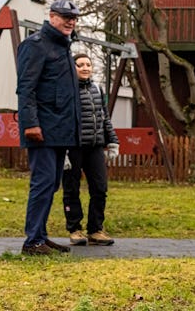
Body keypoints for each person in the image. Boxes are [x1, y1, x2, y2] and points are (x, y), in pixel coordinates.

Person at [16, 0, 83, 255]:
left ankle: (40, 236)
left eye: (73, 18)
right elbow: (26, 88)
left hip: (61, 130)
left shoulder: (63, 47)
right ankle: (32, 241)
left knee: (52, 183)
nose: (70, 22)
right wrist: (30, 124)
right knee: (43, 183)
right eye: (65, 17)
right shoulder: (35, 45)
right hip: (42, 129)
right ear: (52, 16)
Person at [62, 53, 120, 246]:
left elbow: (105, 118)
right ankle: (75, 229)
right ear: (73, 67)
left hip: (95, 146)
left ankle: (95, 230)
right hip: (73, 147)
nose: (85, 68)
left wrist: (112, 141)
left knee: (100, 188)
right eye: (80, 65)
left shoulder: (97, 89)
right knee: (72, 189)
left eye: (88, 64)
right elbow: (62, 120)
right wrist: (62, 151)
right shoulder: (66, 90)